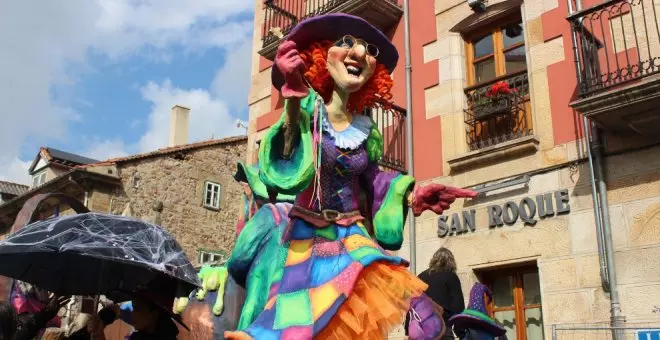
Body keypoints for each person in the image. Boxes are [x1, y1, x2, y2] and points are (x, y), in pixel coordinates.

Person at [222, 13, 476, 340]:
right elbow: (289, 153)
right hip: (307, 233)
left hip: (350, 233)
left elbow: (374, 181)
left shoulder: (366, 131)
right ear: (320, 59)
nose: (359, 52)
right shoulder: (309, 112)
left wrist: (413, 197)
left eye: (368, 49)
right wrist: (293, 98)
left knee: (403, 296)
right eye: (345, 43)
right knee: (297, 315)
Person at [408, 247, 466, 339]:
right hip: (442, 329)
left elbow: (412, 303)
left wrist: (408, 329)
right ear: (451, 262)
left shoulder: (420, 277)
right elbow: (458, 307)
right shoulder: (451, 277)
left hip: (421, 330)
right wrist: (461, 332)